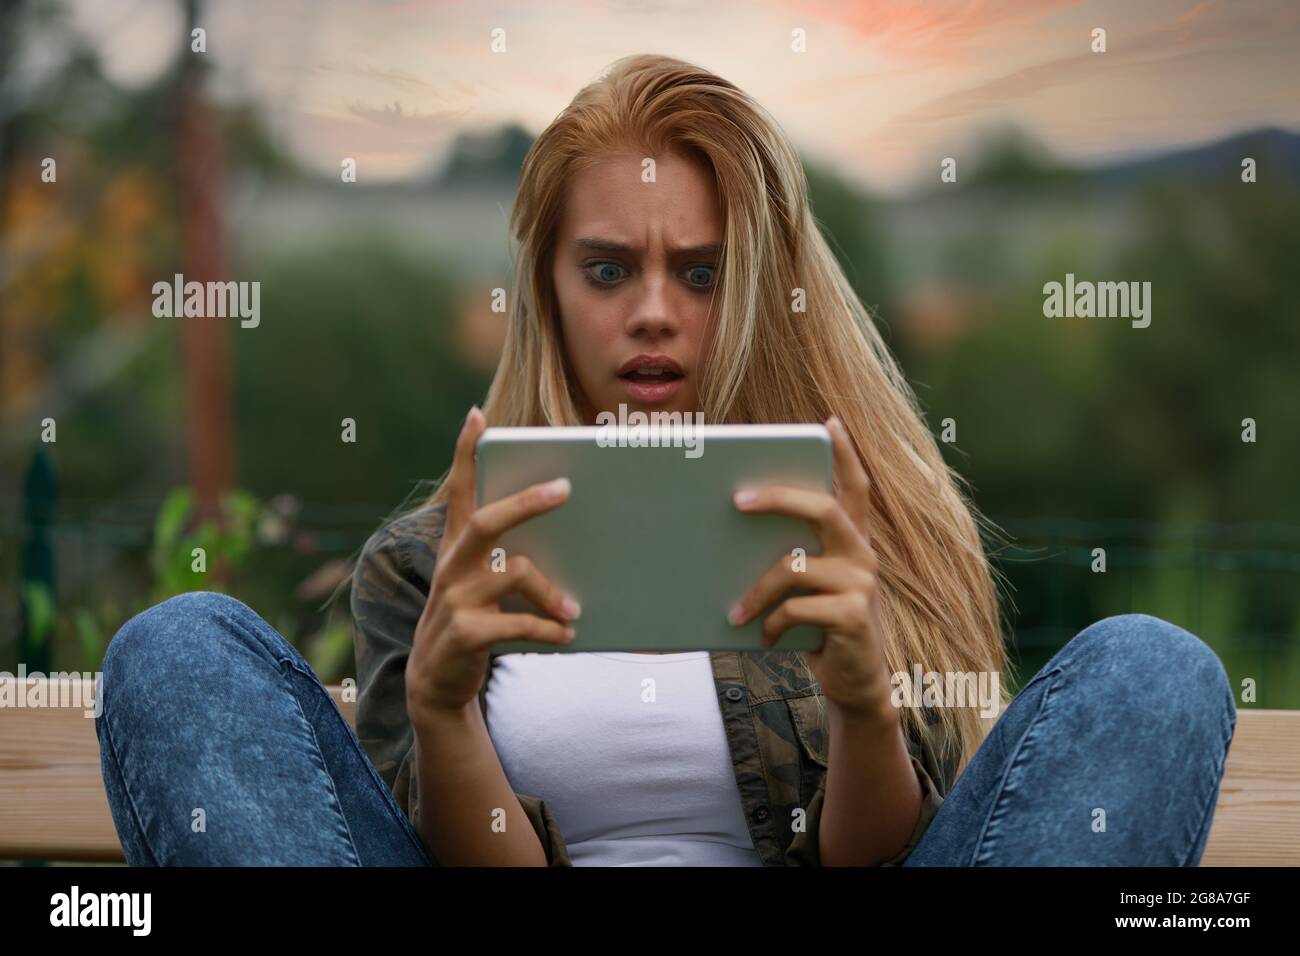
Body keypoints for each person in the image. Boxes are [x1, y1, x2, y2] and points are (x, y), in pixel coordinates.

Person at [96, 54, 1236, 866]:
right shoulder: (433, 564)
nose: (652, 313)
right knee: (179, 645)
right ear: (545, 286)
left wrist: (861, 702)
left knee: (1154, 668)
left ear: (758, 290)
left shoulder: (857, 534)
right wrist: (442, 712)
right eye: (605, 270)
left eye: (699, 272)